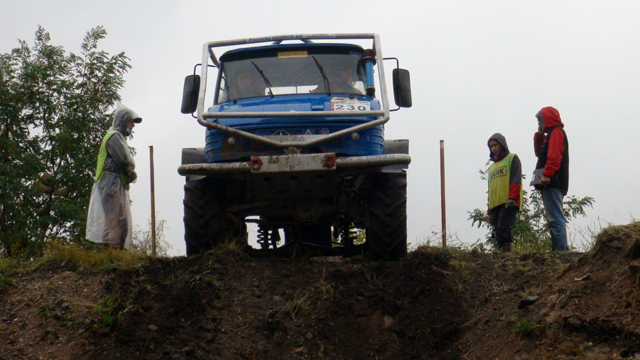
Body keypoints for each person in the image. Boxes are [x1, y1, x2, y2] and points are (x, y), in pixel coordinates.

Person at [86, 103, 142, 249]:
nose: (132, 126)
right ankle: (113, 255)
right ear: (123, 121)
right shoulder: (114, 137)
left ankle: (115, 254)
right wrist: (131, 169)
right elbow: (124, 160)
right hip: (110, 184)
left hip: (113, 184)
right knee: (115, 220)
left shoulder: (118, 138)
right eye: (130, 122)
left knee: (119, 221)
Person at [533, 106, 569, 251]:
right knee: (553, 216)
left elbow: (554, 155)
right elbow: (539, 153)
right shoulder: (551, 134)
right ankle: (558, 250)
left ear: (546, 119)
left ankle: (560, 251)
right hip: (549, 180)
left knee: (555, 217)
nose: (539, 123)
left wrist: (547, 174)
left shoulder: (556, 132)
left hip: (552, 181)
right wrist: (540, 136)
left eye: (540, 120)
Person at [487, 133, 522, 253]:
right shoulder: (491, 168)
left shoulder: (512, 158)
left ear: (502, 145)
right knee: (497, 231)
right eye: (491, 146)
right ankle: (502, 254)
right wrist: (489, 208)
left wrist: (513, 198)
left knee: (504, 229)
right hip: (495, 204)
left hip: (509, 201)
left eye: (495, 145)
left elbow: (516, 179)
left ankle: (508, 255)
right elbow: (491, 188)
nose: (493, 148)